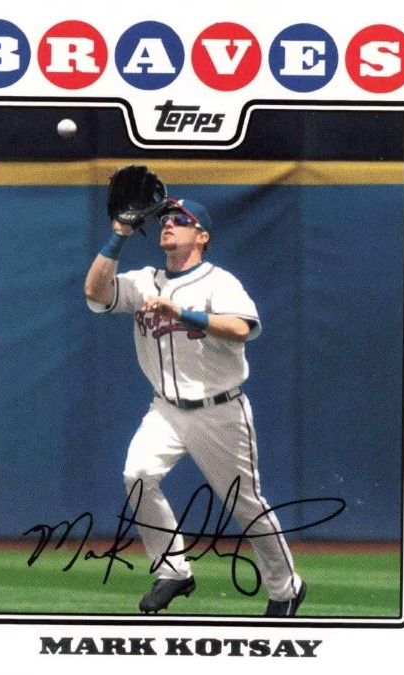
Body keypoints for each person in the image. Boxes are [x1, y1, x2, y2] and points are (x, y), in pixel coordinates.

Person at [84, 193, 306, 616]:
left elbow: (242, 328)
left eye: (181, 219)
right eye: (165, 218)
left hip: (220, 409)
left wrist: (183, 314)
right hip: (166, 409)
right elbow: (95, 292)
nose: (168, 223)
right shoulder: (143, 281)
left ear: (202, 236)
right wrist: (118, 236)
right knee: (138, 474)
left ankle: (286, 588)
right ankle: (173, 571)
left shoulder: (219, 281)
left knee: (246, 505)